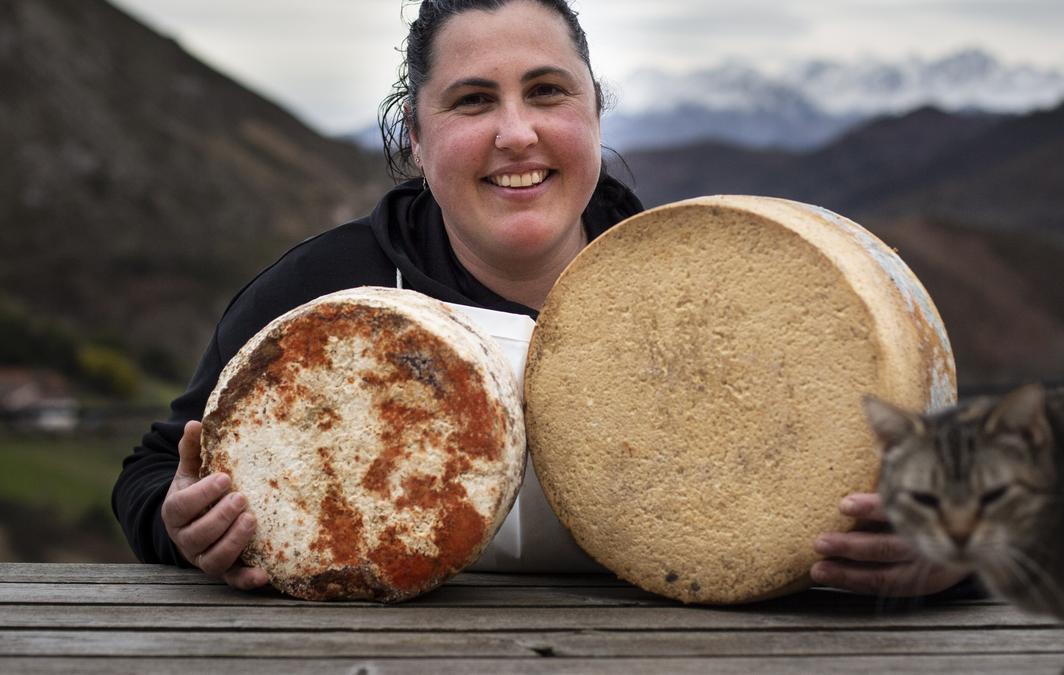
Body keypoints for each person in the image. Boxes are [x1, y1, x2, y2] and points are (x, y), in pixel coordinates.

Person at [112, 0, 968, 597]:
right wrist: (182, 526)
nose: (516, 133)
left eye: (548, 91)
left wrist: (952, 557)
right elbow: (153, 473)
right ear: (416, 136)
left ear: (596, 110)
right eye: (473, 100)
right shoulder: (322, 297)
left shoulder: (729, 284)